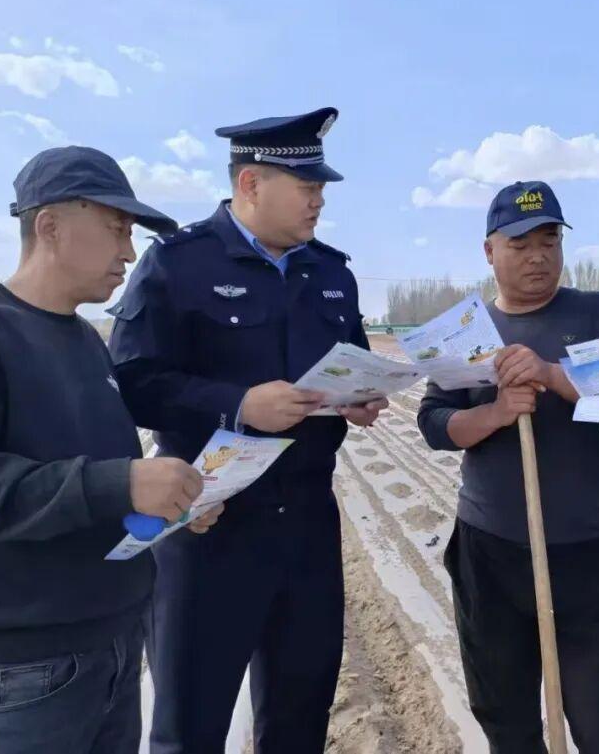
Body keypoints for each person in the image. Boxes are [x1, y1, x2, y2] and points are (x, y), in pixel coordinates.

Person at [0, 146, 222, 754]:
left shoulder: (85, 341)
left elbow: (95, 489)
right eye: (117, 229)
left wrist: (166, 507)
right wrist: (124, 482)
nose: (129, 252)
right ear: (49, 226)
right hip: (22, 675)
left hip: (115, 648)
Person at [108, 107, 384, 753]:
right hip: (210, 526)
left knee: (299, 721)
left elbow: (356, 358)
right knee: (190, 727)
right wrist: (237, 405)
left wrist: (360, 397)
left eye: (320, 188)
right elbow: (134, 384)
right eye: (307, 187)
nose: (319, 200)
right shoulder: (177, 265)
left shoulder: (332, 273)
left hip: (309, 526)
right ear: (251, 184)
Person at [417, 181, 599, 754]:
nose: (538, 256)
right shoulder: (465, 331)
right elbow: (434, 423)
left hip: (581, 548)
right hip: (489, 550)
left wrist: (551, 375)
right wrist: (496, 413)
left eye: (549, 241)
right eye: (520, 244)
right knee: (506, 716)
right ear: (489, 251)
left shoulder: (597, 312)